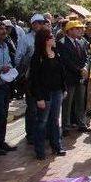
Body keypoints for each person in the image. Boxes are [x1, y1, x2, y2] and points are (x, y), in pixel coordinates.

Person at [28, 29, 66, 159]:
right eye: (51, 37)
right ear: (45, 40)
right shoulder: (37, 57)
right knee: (42, 121)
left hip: (57, 92)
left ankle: (57, 145)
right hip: (45, 94)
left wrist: (63, 89)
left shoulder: (56, 53)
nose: (54, 39)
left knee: (55, 119)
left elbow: (61, 73)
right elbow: (34, 79)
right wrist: (39, 98)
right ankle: (40, 150)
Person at [16, 13, 48, 145]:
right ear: (33, 24)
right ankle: (30, 134)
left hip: (45, 79)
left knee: (43, 107)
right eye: (38, 23)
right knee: (32, 108)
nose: (41, 25)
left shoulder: (47, 38)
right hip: (31, 78)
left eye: (42, 23)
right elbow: (18, 58)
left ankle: (41, 132)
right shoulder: (26, 39)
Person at [0, 21, 18, 156]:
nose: (4, 31)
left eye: (5, 28)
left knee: (4, 114)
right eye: (0, 29)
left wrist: (9, 67)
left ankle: (1, 141)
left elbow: (9, 62)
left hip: (5, 84)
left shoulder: (5, 45)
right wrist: (1, 68)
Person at [58, 20, 91, 136]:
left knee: (80, 101)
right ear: (70, 30)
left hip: (81, 77)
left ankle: (81, 123)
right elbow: (66, 61)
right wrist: (79, 70)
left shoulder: (81, 41)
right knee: (67, 103)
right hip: (69, 78)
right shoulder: (62, 43)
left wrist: (86, 67)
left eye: (80, 28)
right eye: (77, 28)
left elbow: (87, 57)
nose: (80, 30)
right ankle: (66, 126)